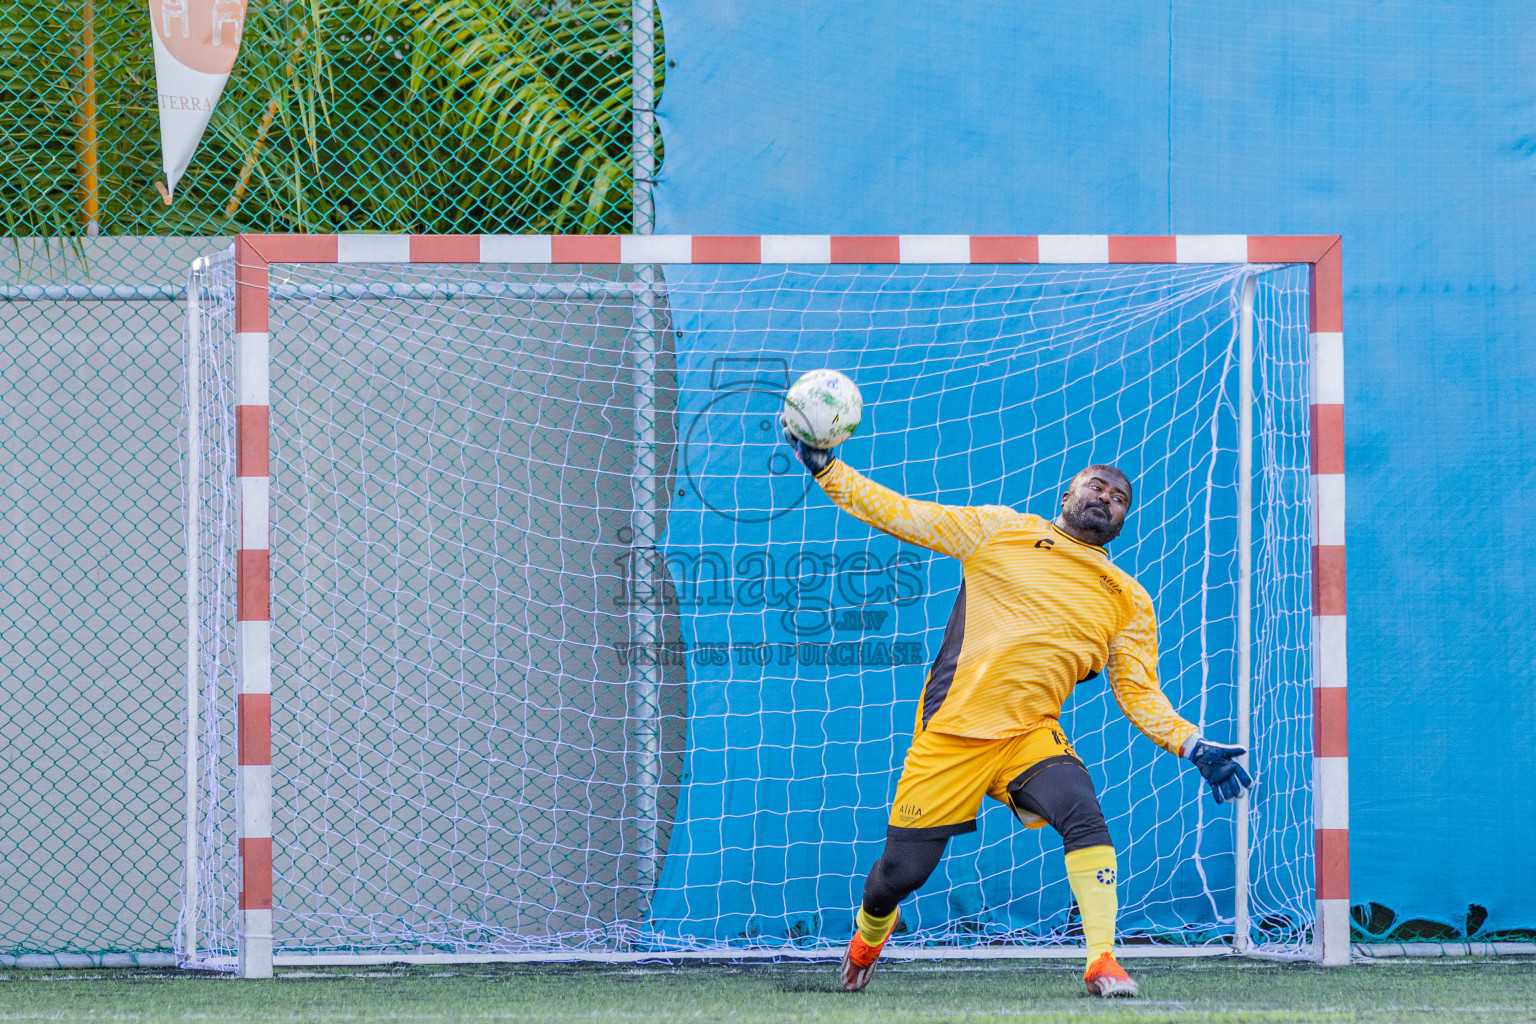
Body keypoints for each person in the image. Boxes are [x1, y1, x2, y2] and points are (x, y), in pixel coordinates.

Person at [782, 428, 1253, 998]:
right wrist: (828, 469)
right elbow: (901, 513)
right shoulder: (1000, 530)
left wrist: (1191, 744)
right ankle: (866, 939)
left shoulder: (1129, 600)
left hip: (1031, 735)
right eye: (1096, 486)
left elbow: (1138, 692)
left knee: (1082, 810)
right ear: (1066, 496)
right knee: (896, 878)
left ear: (1124, 520)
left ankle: (1103, 961)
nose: (1107, 497)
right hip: (952, 735)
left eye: (1120, 497)